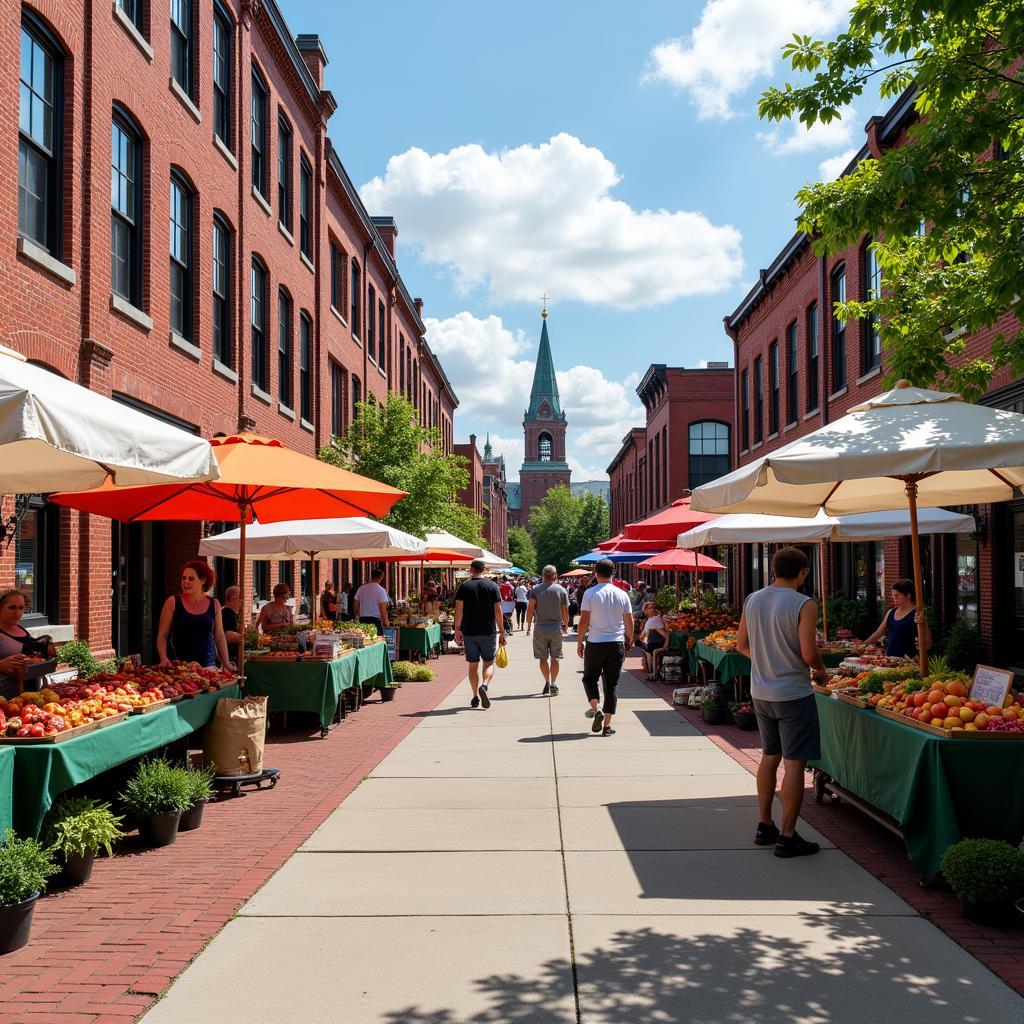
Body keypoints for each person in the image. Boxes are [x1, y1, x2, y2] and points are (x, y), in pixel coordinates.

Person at [736, 546, 827, 860]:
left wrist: (765, 659)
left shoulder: (753, 599)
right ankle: (788, 836)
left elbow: (741, 645)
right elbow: (809, 653)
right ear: (803, 572)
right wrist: (821, 670)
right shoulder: (804, 603)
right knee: (795, 763)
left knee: (769, 755)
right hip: (793, 693)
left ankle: (765, 823)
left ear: (773, 569)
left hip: (761, 692)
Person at [576, 558, 634, 737]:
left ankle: (596, 707)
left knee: (589, 679)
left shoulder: (590, 593)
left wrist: (580, 640)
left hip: (595, 641)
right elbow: (629, 620)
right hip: (616, 642)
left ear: (596, 573)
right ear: (613, 573)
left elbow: (584, 619)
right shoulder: (622, 594)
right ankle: (607, 725)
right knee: (611, 684)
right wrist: (629, 640)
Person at [157, 561, 235, 670]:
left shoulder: (214, 604)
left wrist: (226, 663)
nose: (185, 582)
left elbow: (220, 636)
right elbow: (162, 635)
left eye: (191, 579)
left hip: (209, 666)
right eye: (183, 578)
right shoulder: (172, 602)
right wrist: (163, 658)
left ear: (203, 580)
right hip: (180, 666)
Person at [454, 558, 506, 708]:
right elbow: (498, 611)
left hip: (469, 631)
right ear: (484, 570)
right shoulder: (492, 586)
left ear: (471, 570)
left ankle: (475, 696)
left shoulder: (464, 587)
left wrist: (457, 630)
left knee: (473, 664)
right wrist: (502, 632)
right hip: (488, 630)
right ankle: (484, 685)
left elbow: (459, 610)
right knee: (489, 662)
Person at [0, 589, 56, 698]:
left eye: (21, 608)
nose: (17, 613)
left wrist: (42, 659)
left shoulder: (20, 628)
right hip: (4, 699)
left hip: (30, 695)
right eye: (12, 607)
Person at [858, 579, 932, 658]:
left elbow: (928, 643)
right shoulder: (891, 612)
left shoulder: (917, 614)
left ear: (908, 596)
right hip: (890, 662)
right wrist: (863, 645)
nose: (894, 598)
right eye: (893, 595)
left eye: (897, 595)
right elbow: (878, 633)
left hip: (909, 663)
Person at [527, 566, 569, 696]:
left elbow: (530, 608)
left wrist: (528, 623)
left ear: (543, 575)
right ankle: (553, 683)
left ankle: (547, 680)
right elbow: (565, 611)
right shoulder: (561, 590)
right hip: (556, 628)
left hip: (540, 628)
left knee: (542, 658)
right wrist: (566, 626)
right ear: (555, 575)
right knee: (555, 657)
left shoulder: (535, 590)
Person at [639, 601, 669, 680]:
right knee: (648, 651)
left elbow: (666, 635)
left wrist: (665, 646)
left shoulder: (655, 620)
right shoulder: (652, 619)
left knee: (649, 652)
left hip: (655, 643)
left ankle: (652, 673)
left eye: (649, 608)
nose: (647, 609)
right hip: (652, 643)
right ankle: (653, 672)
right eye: (647, 608)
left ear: (654, 610)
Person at [221, 585, 242, 661]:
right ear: (233, 598)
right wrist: (245, 636)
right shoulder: (227, 614)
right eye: (240, 598)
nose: (241, 602)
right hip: (229, 657)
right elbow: (228, 636)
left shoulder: (232, 613)